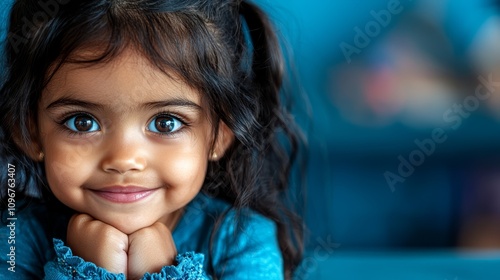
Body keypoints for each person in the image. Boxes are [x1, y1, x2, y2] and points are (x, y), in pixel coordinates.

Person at [0, 0, 305, 279]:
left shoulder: (244, 240)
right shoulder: (16, 237)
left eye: (165, 123)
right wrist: (83, 271)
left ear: (219, 135)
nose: (123, 159)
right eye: (82, 122)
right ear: (30, 132)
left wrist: (162, 272)